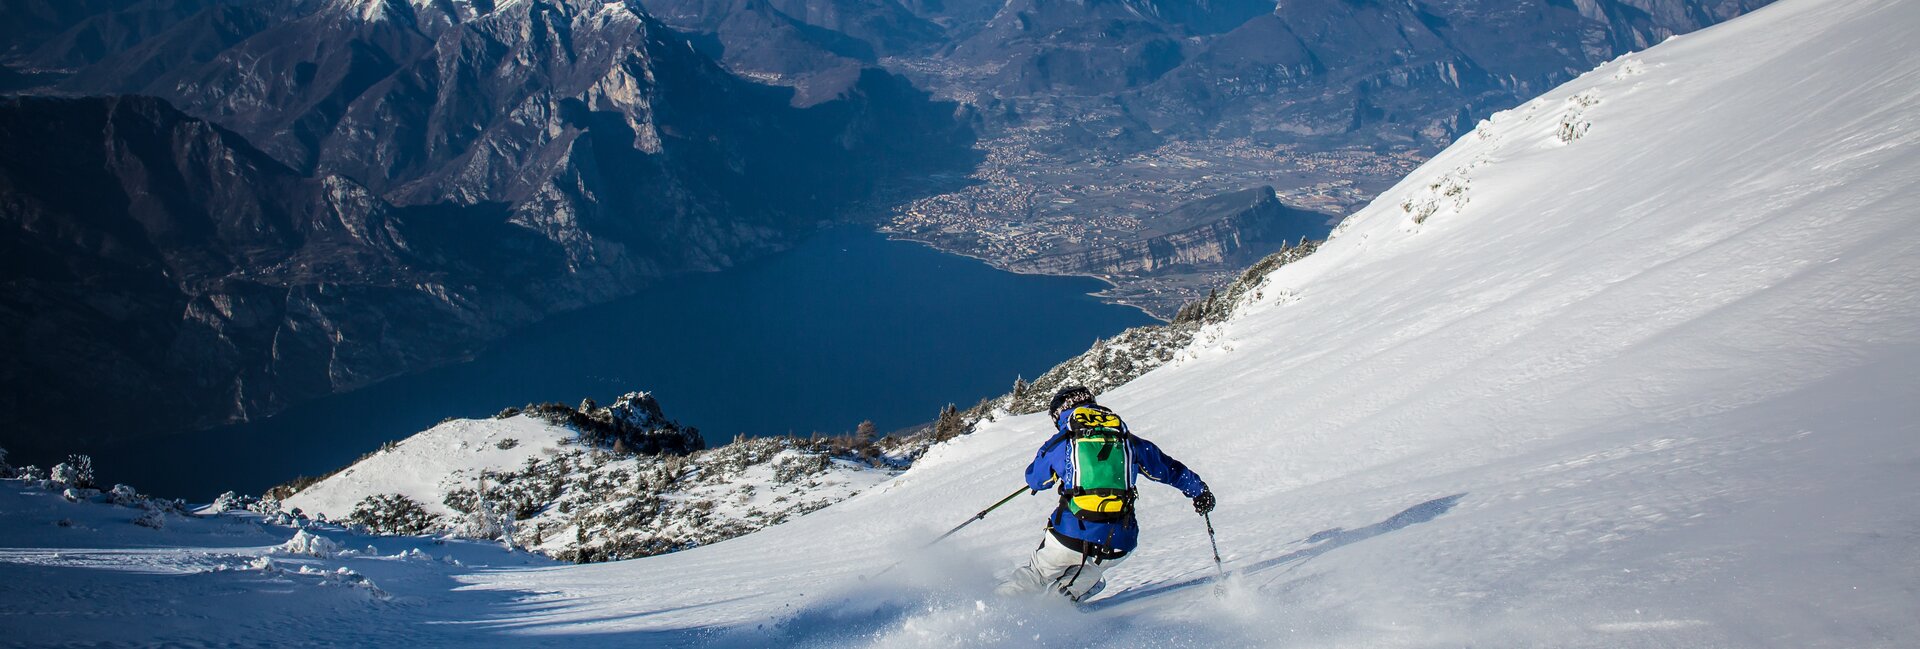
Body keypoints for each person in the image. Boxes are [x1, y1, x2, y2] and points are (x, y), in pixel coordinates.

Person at [996, 386, 1214, 602]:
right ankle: (1059, 605)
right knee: (1092, 574)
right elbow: (1169, 469)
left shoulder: (1062, 442)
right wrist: (1199, 491)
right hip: (1117, 543)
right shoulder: (1126, 439)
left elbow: (1035, 479)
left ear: (1059, 414)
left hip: (1068, 536)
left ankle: (992, 608)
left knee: (1037, 575)